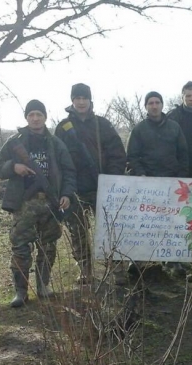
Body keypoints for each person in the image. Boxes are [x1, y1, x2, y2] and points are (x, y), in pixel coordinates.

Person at [0, 100, 77, 308]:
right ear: (26, 118)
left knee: (48, 247)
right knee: (20, 247)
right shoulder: (15, 142)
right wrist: (14, 166)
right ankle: (20, 292)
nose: (36, 118)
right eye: (32, 115)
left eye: (39, 114)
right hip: (24, 204)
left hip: (50, 202)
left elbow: (69, 171)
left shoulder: (56, 143)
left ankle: (43, 286)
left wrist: (66, 193)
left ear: (45, 117)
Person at [55, 83, 128, 284]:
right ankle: (85, 269)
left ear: (90, 100)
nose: (80, 102)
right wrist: (64, 188)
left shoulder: (102, 125)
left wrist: (111, 179)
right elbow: (57, 161)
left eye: (84, 98)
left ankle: (117, 268)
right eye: (77, 98)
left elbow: (117, 154)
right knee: (77, 231)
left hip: (102, 187)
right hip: (75, 189)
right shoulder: (63, 128)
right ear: (72, 100)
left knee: (109, 229)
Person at [126, 91, 189, 278]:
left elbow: (184, 154)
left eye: (157, 102)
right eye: (150, 103)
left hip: (171, 184)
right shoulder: (139, 130)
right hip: (147, 184)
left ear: (162, 105)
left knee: (171, 222)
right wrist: (142, 175)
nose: (154, 106)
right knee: (144, 223)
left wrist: (180, 179)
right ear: (146, 106)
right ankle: (137, 259)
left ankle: (172, 259)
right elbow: (132, 157)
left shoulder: (174, 128)